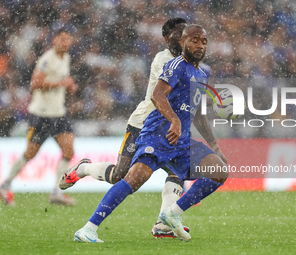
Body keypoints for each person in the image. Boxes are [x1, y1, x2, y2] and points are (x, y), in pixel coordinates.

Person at [66, 24, 229, 243]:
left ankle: (172, 214)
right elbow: (157, 94)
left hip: (181, 142)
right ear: (183, 42)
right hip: (157, 134)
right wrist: (174, 120)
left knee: (219, 170)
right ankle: (88, 228)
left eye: (204, 42)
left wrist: (216, 148)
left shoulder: (201, 74)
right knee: (133, 178)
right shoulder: (177, 65)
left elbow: (198, 115)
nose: (200, 45)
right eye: (195, 40)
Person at [0, 28, 78, 206]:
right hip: (41, 115)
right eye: (62, 39)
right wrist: (61, 83)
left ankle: (57, 192)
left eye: (68, 40)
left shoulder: (65, 58)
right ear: (54, 40)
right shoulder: (47, 59)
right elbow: (35, 83)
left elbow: (60, 82)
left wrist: (68, 86)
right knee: (29, 153)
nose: (66, 43)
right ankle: (5, 185)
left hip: (58, 113)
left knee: (68, 150)